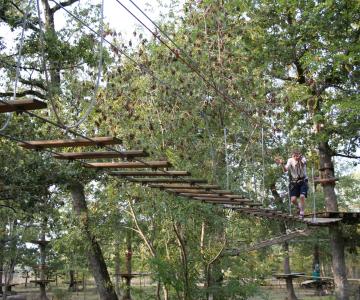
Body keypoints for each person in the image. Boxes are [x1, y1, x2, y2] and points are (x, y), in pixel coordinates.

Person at [275, 149, 308, 219]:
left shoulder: (303, 159)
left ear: (300, 155)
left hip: (303, 180)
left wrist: (299, 160)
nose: (296, 157)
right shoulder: (290, 160)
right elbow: (285, 170)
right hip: (294, 182)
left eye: (297, 155)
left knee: (302, 196)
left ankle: (302, 212)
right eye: (294, 156)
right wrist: (282, 164)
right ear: (292, 156)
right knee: (293, 200)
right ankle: (299, 206)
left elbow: (302, 165)